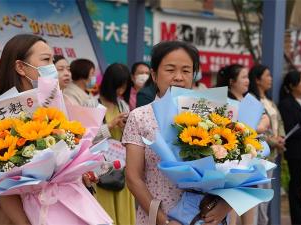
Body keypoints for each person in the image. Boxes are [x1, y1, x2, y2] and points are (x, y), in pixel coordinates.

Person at [122, 41, 232, 225]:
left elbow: (238, 168)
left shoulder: (213, 115)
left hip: (206, 217)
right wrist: (163, 220)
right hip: (160, 216)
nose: (178, 77)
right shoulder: (140, 116)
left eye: (186, 71)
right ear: (154, 75)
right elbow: (133, 178)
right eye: (170, 70)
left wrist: (224, 207)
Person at [0, 34, 58, 225]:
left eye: (53, 60)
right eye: (46, 60)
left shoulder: (53, 107)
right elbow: (5, 185)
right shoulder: (0, 118)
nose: (53, 67)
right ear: (20, 67)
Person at [216, 64, 270, 225]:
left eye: (248, 77)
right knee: (231, 207)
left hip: (250, 159)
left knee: (249, 210)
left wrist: (258, 126)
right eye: (244, 77)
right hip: (231, 162)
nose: (248, 81)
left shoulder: (251, 100)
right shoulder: (223, 102)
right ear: (232, 81)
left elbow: (265, 118)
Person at [94, 63, 136, 225]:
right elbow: (85, 138)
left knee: (123, 210)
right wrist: (110, 125)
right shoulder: (92, 104)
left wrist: (126, 126)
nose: (121, 91)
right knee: (104, 210)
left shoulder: (122, 105)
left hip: (121, 165)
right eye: (119, 87)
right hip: (100, 168)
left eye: (124, 87)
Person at [248, 64, 286, 225]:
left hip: (272, 154)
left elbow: (278, 121)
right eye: (267, 75)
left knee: (266, 196)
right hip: (259, 154)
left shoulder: (269, 101)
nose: (271, 79)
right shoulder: (252, 100)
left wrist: (281, 138)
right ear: (257, 80)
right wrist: (273, 141)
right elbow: (255, 128)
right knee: (259, 198)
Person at [278, 70, 301, 225]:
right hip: (296, 152)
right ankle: (298, 219)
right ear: (292, 85)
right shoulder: (286, 104)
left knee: (299, 186)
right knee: (296, 187)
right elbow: (290, 129)